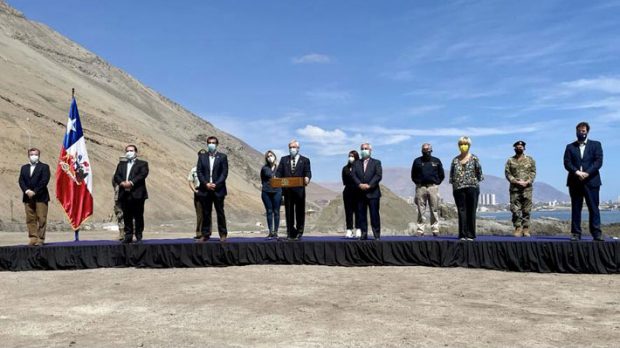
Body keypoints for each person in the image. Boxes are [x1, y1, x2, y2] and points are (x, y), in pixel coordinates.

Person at [563, 122, 604, 241]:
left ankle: (596, 233)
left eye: (584, 131)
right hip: (575, 182)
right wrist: (577, 172)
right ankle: (576, 233)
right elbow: (567, 163)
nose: (581, 133)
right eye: (579, 131)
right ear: (576, 131)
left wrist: (587, 173)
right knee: (576, 208)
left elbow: (598, 161)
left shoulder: (596, 145)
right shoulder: (570, 147)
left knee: (593, 207)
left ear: (587, 132)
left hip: (592, 181)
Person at [113, 144, 149, 244]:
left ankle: (138, 235)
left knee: (138, 215)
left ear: (136, 152)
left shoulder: (142, 164)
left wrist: (131, 183)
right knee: (126, 216)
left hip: (137, 194)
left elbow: (142, 175)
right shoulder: (121, 164)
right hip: (124, 194)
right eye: (127, 151)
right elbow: (116, 176)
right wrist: (122, 183)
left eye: (131, 150)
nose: (129, 152)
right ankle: (128, 236)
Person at [449, 136, 483, 241]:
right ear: (459, 146)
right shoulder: (455, 160)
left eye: (465, 144)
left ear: (469, 145)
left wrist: (472, 181)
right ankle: (462, 234)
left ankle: (471, 234)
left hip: (472, 187)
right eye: (461, 144)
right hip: (458, 188)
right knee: (461, 211)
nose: (463, 146)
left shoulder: (474, 158)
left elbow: (479, 173)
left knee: (471, 210)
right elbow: (452, 175)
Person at [276, 139, 312, 240]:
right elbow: (279, 172)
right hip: (287, 191)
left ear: (298, 148)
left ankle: (299, 232)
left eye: (294, 147)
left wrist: (307, 178)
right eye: (290, 147)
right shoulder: (284, 160)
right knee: (289, 212)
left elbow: (308, 172)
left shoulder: (305, 160)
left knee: (300, 211)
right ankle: (290, 232)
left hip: (299, 190)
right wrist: (277, 177)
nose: (292, 149)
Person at [197, 136, 228, 242]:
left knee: (220, 212)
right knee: (206, 212)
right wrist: (206, 184)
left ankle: (223, 234)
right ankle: (205, 234)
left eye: (213, 143)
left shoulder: (222, 157)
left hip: (218, 189)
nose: (211, 144)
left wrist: (216, 184)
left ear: (217, 144)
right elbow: (199, 172)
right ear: (207, 144)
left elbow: (224, 173)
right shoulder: (202, 157)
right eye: (209, 142)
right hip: (205, 189)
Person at [411, 143, 445, 236]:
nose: (426, 151)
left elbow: (441, 174)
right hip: (420, 187)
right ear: (422, 150)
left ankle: (435, 229)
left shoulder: (436, 161)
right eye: (424, 150)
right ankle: (420, 229)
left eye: (428, 149)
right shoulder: (417, 161)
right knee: (421, 209)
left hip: (433, 187)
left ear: (431, 150)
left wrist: (436, 183)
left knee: (434, 208)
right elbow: (413, 175)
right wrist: (417, 183)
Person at [18, 148, 50, 246]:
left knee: (41, 218)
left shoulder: (44, 167)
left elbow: (44, 180)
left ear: (39, 155)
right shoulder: (24, 167)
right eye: (31, 154)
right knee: (30, 219)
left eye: (35, 154)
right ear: (28, 155)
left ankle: (40, 239)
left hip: (41, 196)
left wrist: (35, 191)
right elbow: (21, 181)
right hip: (28, 197)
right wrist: (27, 191)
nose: (33, 156)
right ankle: (33, 238)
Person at [505, 140, 536, 237]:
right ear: (515, 148)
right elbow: (507, 173)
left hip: (527, 188)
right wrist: (515, 181)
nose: (519, 148)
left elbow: (533, 172)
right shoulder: (510, 160)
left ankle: (526, 228)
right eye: (517, 147)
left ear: (524, 148)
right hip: (515, 189)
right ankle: (518, 228)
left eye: (521, 147)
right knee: (515, 209)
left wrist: (528, 181)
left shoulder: (530, 160)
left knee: (526, 209)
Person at [351, 143, 382, 240]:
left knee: (374, 215)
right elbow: (353, 175)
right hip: (360, 193)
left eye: (366, 148)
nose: (364, 150)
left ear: (370, 150)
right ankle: (364, 234)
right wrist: (360, 184)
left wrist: (369, 185)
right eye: (362, 149)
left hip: (373, 193)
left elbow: (378, 175)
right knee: (361, 215)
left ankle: (376, 234)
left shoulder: (376, 162)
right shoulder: (356, 163)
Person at [260, 150, 282, 239]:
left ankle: (276, 232)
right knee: (269, 211)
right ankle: (270, 231)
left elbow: (282, 179)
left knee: (276, 211)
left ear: (275, 156)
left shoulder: (280, 168)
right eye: (268, 156)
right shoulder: (264, 168)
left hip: (277, 192)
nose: (270, 157)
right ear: (266, 158)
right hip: (266, 192)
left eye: (271, 155)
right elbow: (262, 179)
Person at [188, 149, 207, 239]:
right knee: (199, 213)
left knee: (207, 213)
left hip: (207, 191)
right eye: (201, 155)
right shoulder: (194, 169)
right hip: (198, 191)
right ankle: (199, 233)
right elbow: (190, 181)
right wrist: (194, 190)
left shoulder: (209, 169)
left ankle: (206, 233)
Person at [342, 150, 361, 238]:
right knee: (348, 211)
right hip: (348, 192)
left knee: (358, 211)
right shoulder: (345, 168)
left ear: (356, 157)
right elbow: (344, 181)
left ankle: (358, 229)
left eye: (352, 156)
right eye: (349, 156)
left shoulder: (360, 168)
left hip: (358, 192)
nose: (351, 158)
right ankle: (349, 229)